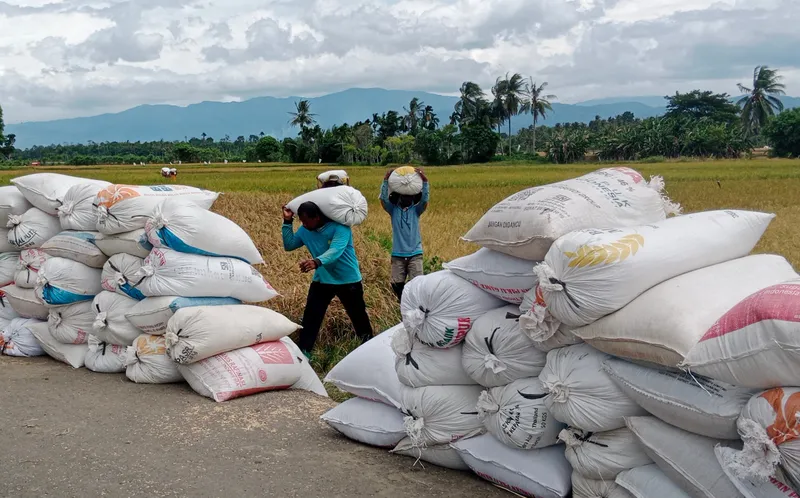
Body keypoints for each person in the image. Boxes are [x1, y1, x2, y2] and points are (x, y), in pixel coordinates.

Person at [282, 201, 373, 359]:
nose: (303, 224)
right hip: (322, 280)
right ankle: (304, 354)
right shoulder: (305, 230)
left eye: (306, 221)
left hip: (348, 280)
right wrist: (287, 221)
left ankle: (369, 348)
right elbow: (289, 245)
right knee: (311, 317)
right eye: (301, 221)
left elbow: (335, 251)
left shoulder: (340, 228)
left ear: (316, 217)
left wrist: (315, 262)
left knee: (358, 317)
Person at [379, 167, 430, 301]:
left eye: (409, 196)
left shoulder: (416, 210)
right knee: (396, 284)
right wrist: (385, 180)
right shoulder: (393, 210)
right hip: (398, 254)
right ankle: (402, 303)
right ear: (399, 196)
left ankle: (414, 305)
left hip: (415, 254)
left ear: (413, 197)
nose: (407, 198)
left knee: (418, 285)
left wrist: (425, 181)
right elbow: (384, 199)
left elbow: (424, 200)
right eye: (404, 196)